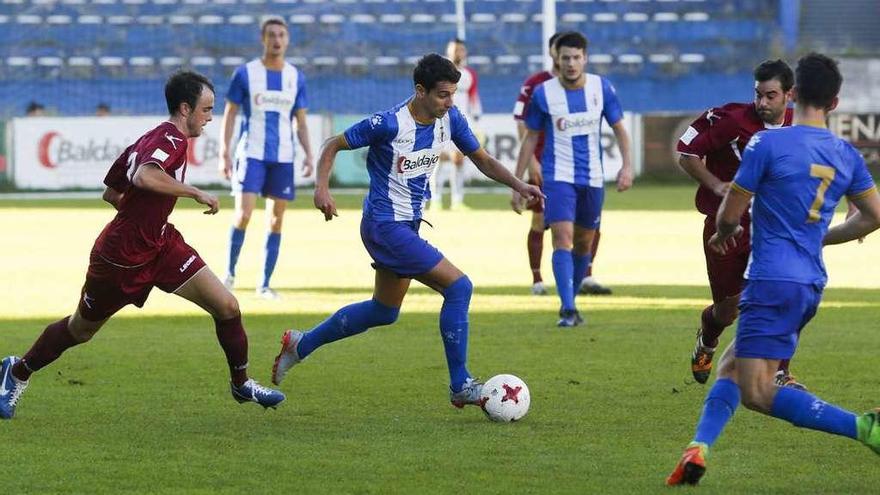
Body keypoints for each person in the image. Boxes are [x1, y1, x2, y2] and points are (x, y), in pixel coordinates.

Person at [0, 70, 285, 420]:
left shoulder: (149, 138)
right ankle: (17, 371)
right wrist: (194, 192)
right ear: (185, 108)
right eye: (206, 110)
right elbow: (143, 176)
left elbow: (112, 191)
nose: (209, 118)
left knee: (226, 306)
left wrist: (143, 214)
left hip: (161, 244)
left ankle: (241, 384)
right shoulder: (171, 139)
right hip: (120, 256)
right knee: (81, 330)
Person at [270, 54, 543, 409]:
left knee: (384, 311)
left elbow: (484, 160)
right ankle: (460, 384)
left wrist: (519, 185)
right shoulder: (389, 123)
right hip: (384, 226)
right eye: (443, 95)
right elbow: (332, 144)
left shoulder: (451, 119)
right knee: (459, 287)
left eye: (453, 94)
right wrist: (322, 188)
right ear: (420, 91)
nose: (450, 102)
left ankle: (300, 344)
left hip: (407, 225)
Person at [666, 53, 880, 486]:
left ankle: (864, 427)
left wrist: (723, 232)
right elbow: (873, 216)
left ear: (793, 93)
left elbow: (732, 210)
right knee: (731, 366)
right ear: (835, 102)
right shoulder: (846, 154)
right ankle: (698, 449)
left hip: (771, 280)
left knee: (758, 393)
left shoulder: (768, 144)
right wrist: (821, 236)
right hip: (810, 282)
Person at [677, 60, 801, 386]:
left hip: (774, 229)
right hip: (727, 229)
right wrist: (716, 185)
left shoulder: (800, 125)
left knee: (781, 294)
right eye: (758, 94)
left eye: (770, 96)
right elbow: (687, 153)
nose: (762, 103)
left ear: (790, 94)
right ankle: (707, 338)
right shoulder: (730, 120)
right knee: (727, 310)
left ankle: (780, 372)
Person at [512, 31, 634, 327]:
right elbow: (530, 139)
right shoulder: (544, 93)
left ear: (585, 58)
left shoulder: (601, 88)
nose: (570, 63)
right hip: (558, 177)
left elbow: (619, 128)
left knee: (583, 244)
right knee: (562, 239)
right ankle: (567, 308)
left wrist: (627, 166)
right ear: (557, 59)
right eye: (565, 57)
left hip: (593, 177)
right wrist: (518, 182)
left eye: (576, 57)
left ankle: (572, 300)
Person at [219, 16, 313, 300]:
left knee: (275, 221)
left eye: (281, 35)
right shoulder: (246, 73)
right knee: (244, 214)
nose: (276, 39)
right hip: (251, 153)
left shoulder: (296, 77)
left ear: (287, 40)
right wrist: (224, 151)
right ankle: (230, 274)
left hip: (284, 157)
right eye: (271, 34)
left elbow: (301, 120)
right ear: (263, 38)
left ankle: (264, 284)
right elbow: (230, 113)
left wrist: (309, 153)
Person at [427, 38, 482, 211]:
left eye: (461, 50)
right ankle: (435, 200)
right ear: (449, 51)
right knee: (438, 159)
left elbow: (473, 97)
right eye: (455, 49)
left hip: (461, 123)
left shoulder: (469, 75)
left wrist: (477, 116)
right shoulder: (438, 73)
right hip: (440, 122)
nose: (458, 53)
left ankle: (457, 201)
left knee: (459, 160)